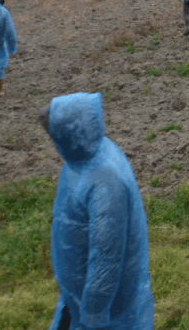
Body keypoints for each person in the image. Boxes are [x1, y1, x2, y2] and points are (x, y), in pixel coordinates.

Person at [40, 93, 154, 330]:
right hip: (81, 292)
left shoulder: (105, 180)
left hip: (105, 305)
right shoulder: (84, 157)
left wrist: (93, 317)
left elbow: (106, 258)